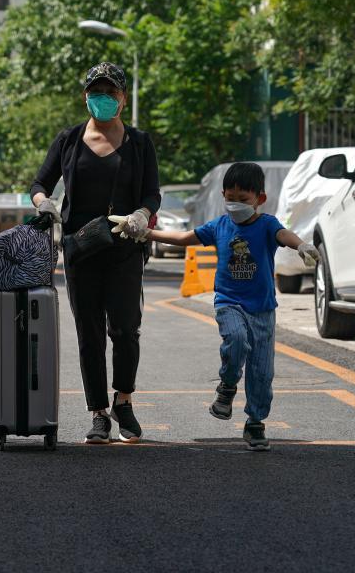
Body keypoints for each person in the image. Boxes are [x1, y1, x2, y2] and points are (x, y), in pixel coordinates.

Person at [136, 162, 320, 451]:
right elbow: (184, 238)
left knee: (262, 373)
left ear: (260, 198)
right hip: (228, 302)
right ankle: (227, 386)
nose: (235, 204)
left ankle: (255, 423)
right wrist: (148, 233)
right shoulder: (219, 226)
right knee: (235, 339)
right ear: (223, 195)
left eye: (243, 199)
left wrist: (302, 246)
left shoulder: (267, 224)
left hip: (262, 309)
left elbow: (285, 235)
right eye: (230, 198)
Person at [31, 62, 160, 444]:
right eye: (96, 92)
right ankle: (99, 413)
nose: (103, 98)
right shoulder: (68, 140)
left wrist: (142, 214)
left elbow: (152, 193)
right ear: (86, 96)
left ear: (123, 98)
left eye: (110, 92)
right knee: (89, 333)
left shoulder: (139, 143)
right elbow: (40, 183)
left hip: (125, 248)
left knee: (125, 329)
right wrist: (44, 203)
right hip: (81, 250)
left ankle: (124, 400)